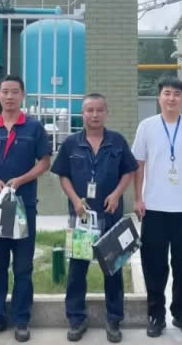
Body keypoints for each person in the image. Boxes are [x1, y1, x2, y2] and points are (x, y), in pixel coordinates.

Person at [51, 93, 138, 343]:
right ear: (83, 114)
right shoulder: (71, 143)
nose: (95, 115)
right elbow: (63, 176)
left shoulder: (117, 141)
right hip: (82, 219)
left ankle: (114, 319)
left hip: (111, 215)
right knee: (77, 270)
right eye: (90, 110)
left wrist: (117, 194)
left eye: (100, 110)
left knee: (113, 269)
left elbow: (129, 171)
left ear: (106, 112)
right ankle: (76, 319)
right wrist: (75, 200)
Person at [0, 75, 52, 342]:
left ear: (22, 95)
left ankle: (21, 320)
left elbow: (44, 162)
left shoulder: (34, 128)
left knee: (22, 266)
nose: (9, 96)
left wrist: (21, 180)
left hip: (23, 205)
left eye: (14, 92)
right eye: (5, 91)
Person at [132, 77, 182, 338]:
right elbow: (139, 164)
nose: (171, 98)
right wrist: (138, 198)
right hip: (153, 208)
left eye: (176, 94)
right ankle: (156, 315)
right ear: (159, 97)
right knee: (154, 265)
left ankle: (181, 314)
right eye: (167, 93)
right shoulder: (147, 126)